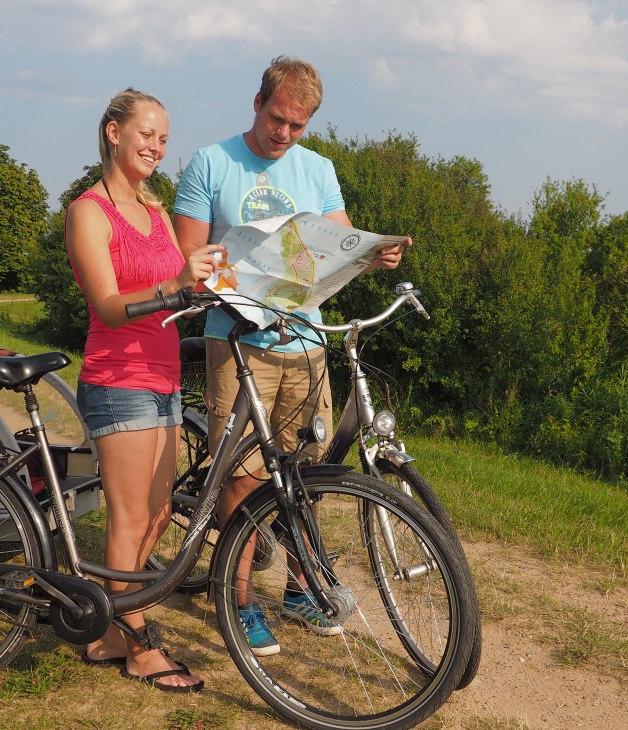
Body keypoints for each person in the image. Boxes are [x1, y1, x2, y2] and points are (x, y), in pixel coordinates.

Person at [173, 56, 406, 656]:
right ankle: (240, 599)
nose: (284, 133)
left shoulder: (318, 169)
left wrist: (374, 254)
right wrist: (223, 277)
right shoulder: (211, 163)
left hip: (305, 341)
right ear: (258, 102)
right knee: (244, 477)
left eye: (297, 125)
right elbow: (187, 260)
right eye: (277, 118)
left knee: (307, 473)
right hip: (239, 341)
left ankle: (302, 588)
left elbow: (342, 246)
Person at [65, 88, 220, 691]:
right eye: (146, 134)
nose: (156, 146)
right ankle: (138, 644)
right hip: (117, 379)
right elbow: (108, 304)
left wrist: (212, 280)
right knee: (129, 520)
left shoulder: (155, 212)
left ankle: (109, 631)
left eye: (163, 139)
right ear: (114, 132)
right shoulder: (89, 212)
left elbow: (181, 287)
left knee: (157, 513)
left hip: (164, 378)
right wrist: (178, 283)